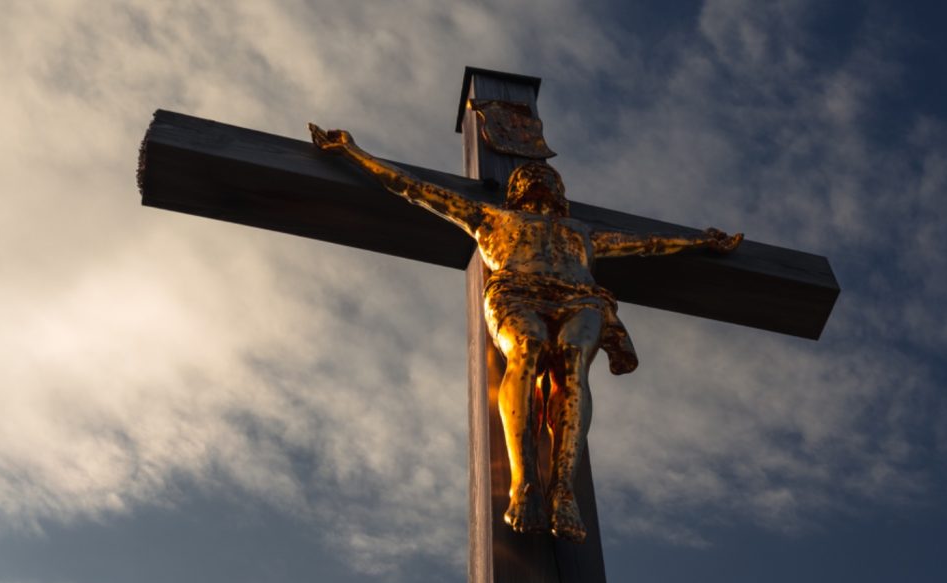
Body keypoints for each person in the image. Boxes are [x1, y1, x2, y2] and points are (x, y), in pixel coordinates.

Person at [310, 124, 741, 542]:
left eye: (547, 179)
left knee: (572, 365)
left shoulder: (582, 234)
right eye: (531, 177)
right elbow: (415, 189)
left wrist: (702, 242)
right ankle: (525, 483)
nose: (540, 181)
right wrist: (355, 153)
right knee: (528, 347)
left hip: (578, 298)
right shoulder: (489, 218)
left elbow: (649, 244)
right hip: (516, 291)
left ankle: (563, 490)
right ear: (516, 189)